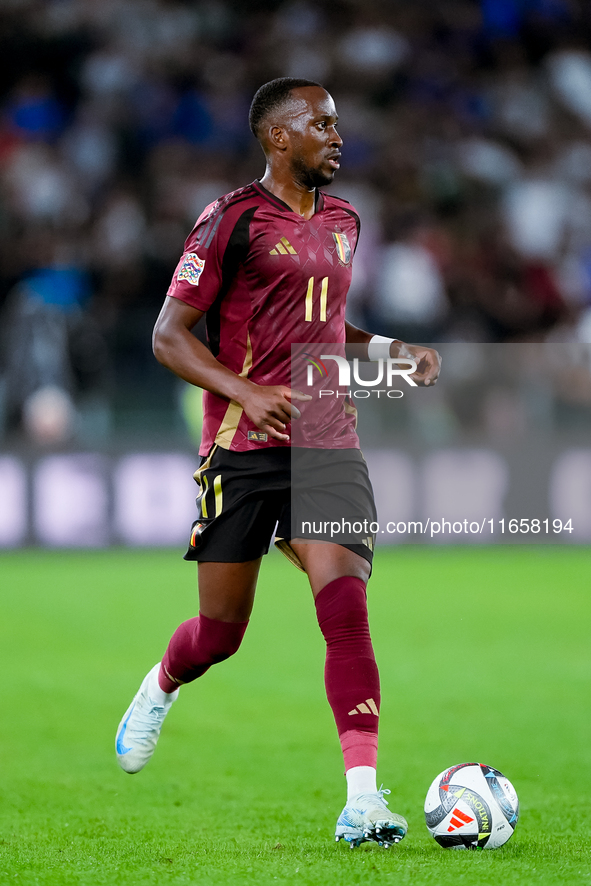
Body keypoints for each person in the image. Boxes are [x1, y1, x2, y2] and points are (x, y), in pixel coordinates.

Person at [115, 77, 441, 848]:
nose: (336, 135)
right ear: (277, 138)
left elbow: (330, 327)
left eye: (337, 123)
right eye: (319, 124)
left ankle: (362, 800)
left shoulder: (344, 221)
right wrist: (245, 392)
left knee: (344, 606)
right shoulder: (231, 220)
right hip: (241, 444)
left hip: (327, 441)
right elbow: (168, 334)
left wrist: (393, 353)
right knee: (220, 632)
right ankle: (160, 684)